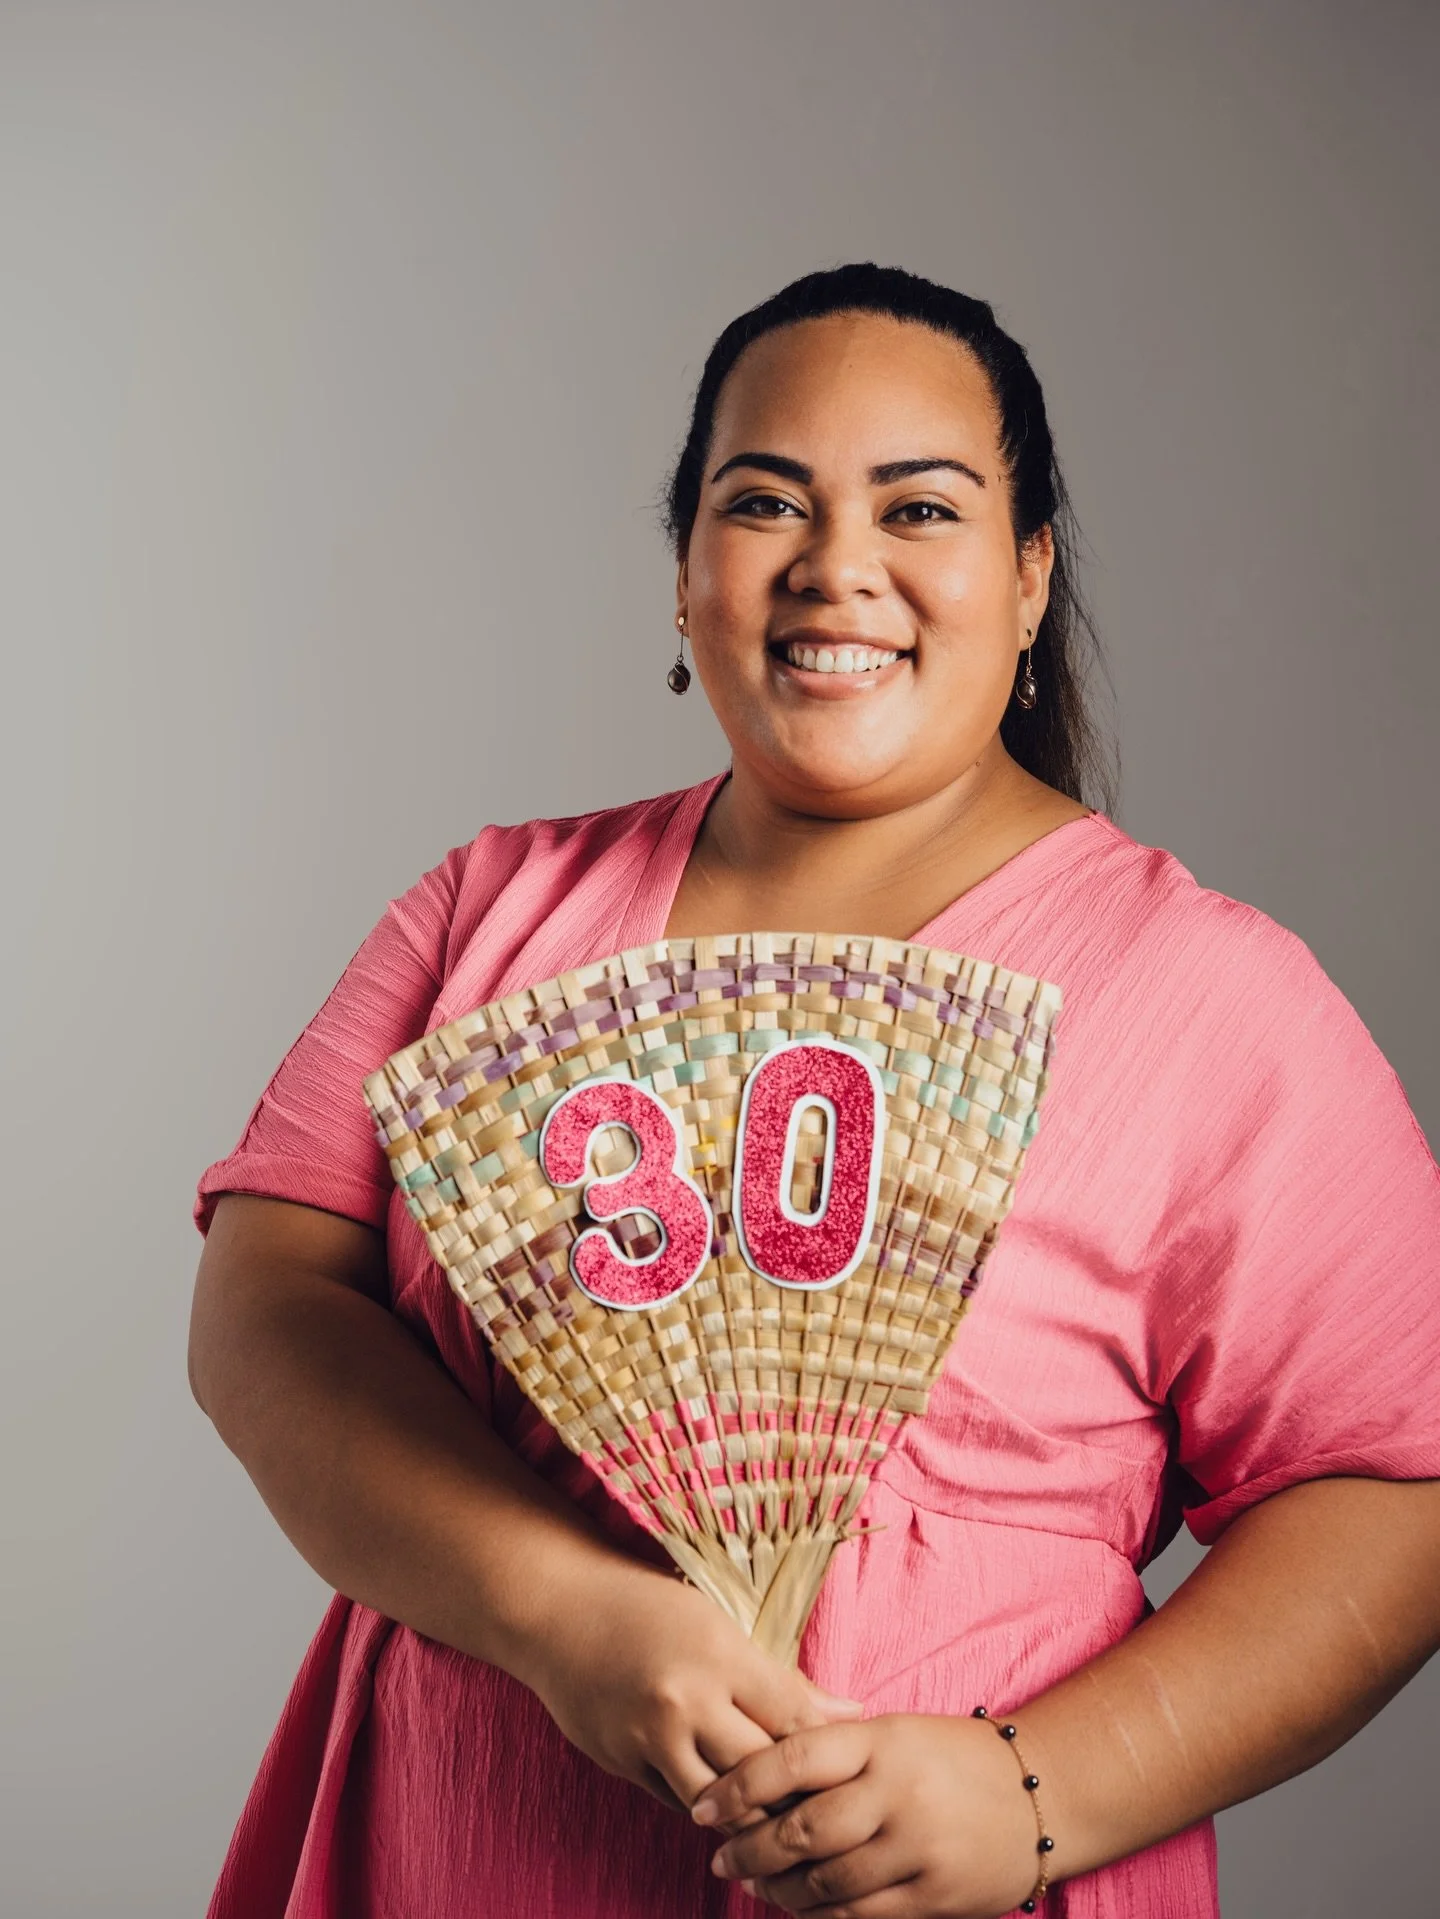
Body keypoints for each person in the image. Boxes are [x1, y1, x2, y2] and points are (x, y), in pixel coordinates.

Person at [189, 263, 1440, 1919]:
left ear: (1030, 573)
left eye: (920, 506)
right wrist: (567, 1614)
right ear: (685, 574)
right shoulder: (485, 913)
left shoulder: (1211, 992)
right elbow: (269, 1303)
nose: (837, 565)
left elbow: (1398, 1485)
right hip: (466, 1844)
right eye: (763, 500)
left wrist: (1039, 1791)